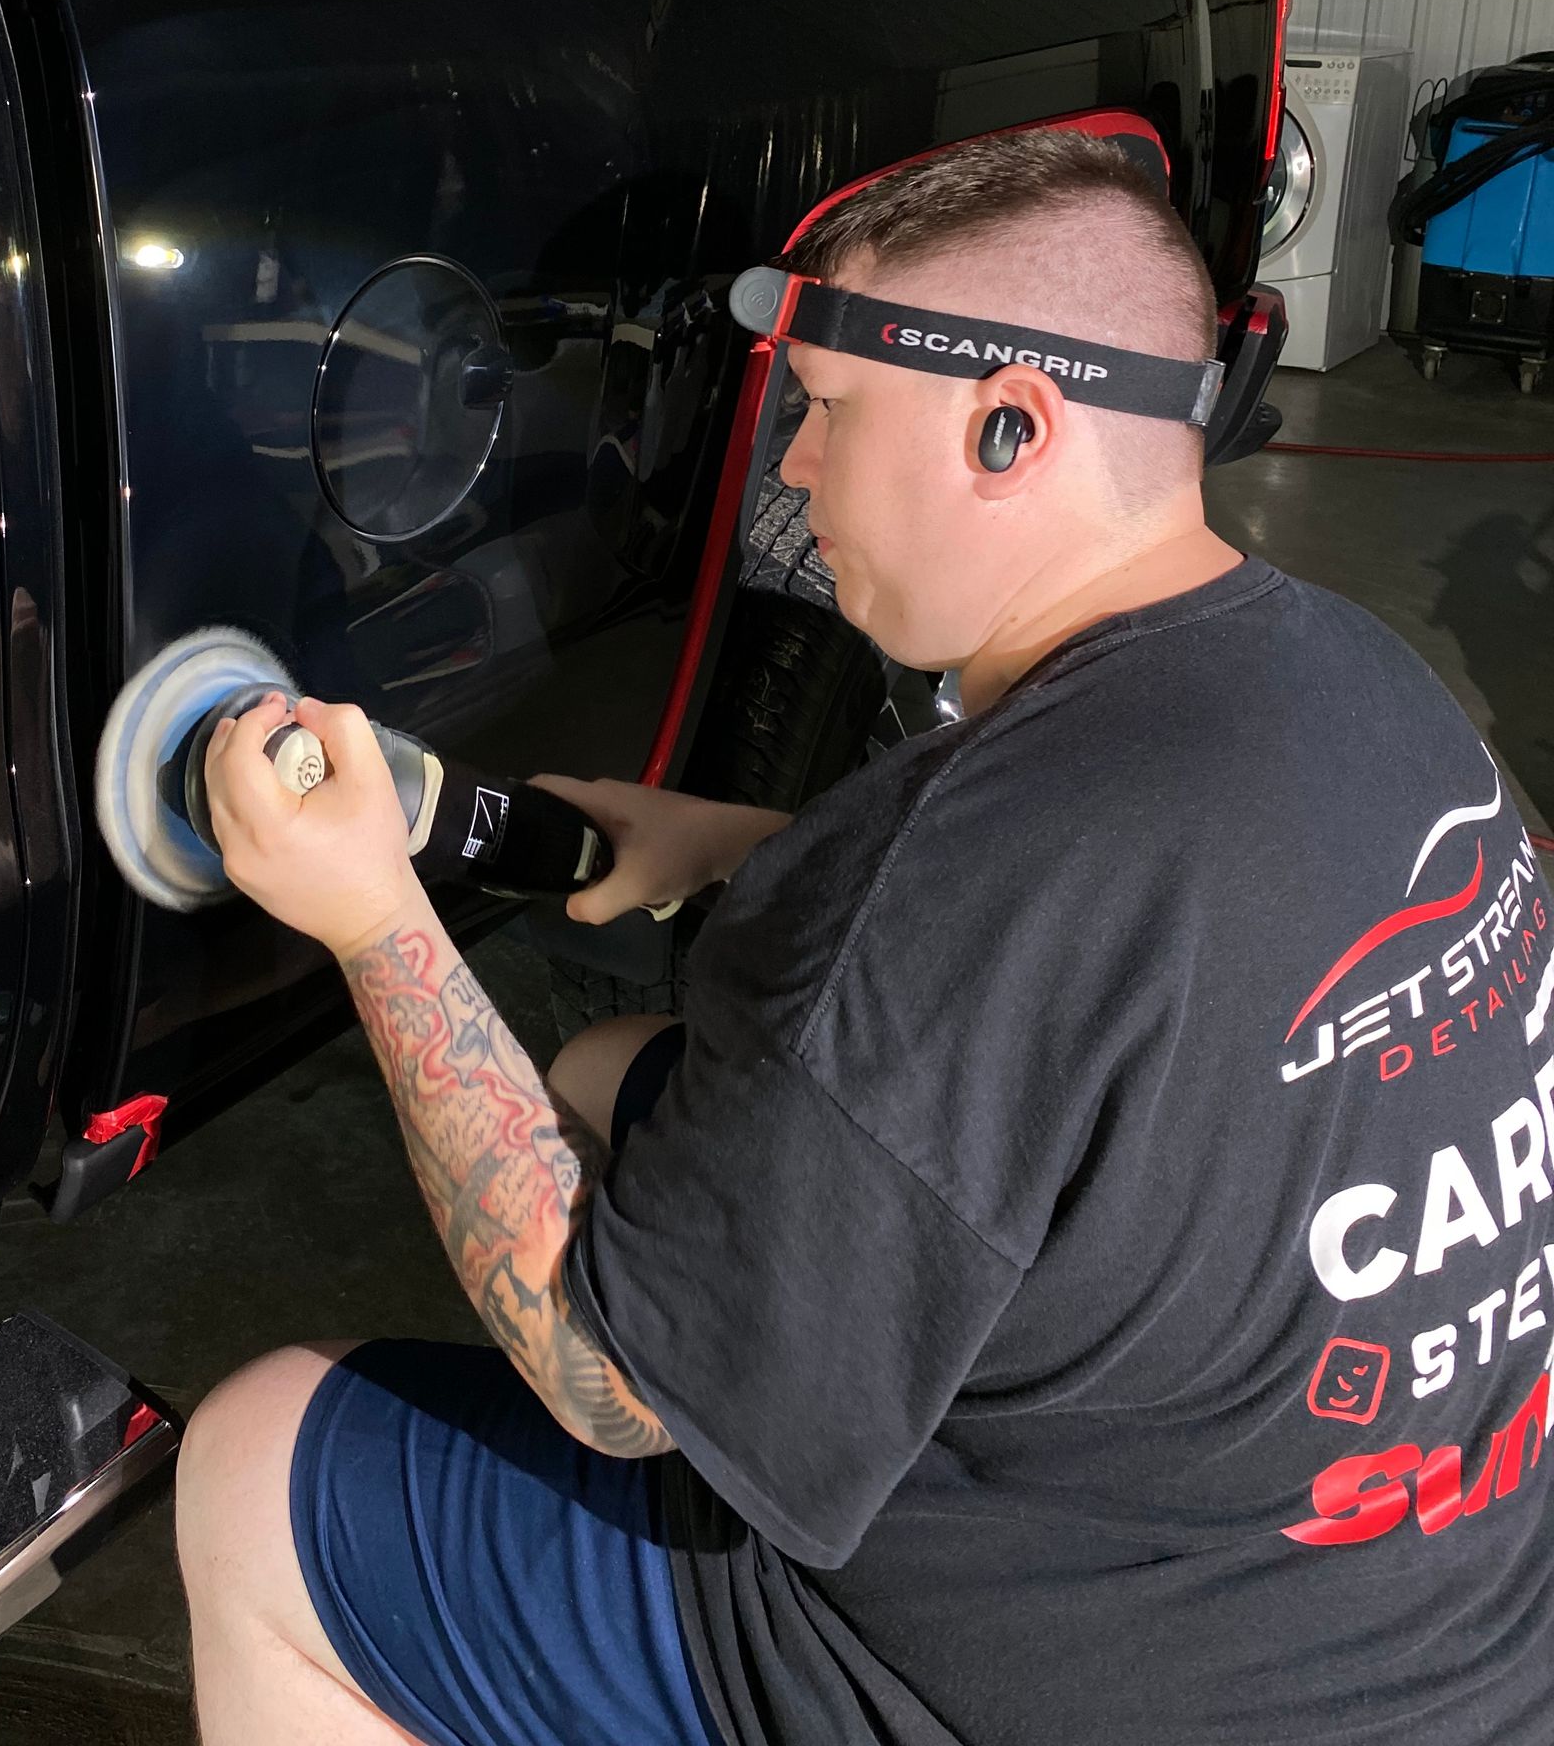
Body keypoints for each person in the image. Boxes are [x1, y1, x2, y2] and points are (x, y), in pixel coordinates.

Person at [176, 128, 1554, 1746]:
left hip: (1072, 1689)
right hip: (1443, 1643)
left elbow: (602, 1385)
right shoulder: (1365, 686)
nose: (793, 471)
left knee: (258, 1460)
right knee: (613, 1064)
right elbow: (1119, 968)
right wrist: (748, 853)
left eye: (826, 412)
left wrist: (374, 920)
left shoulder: (958, 876)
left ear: (1010, 425)